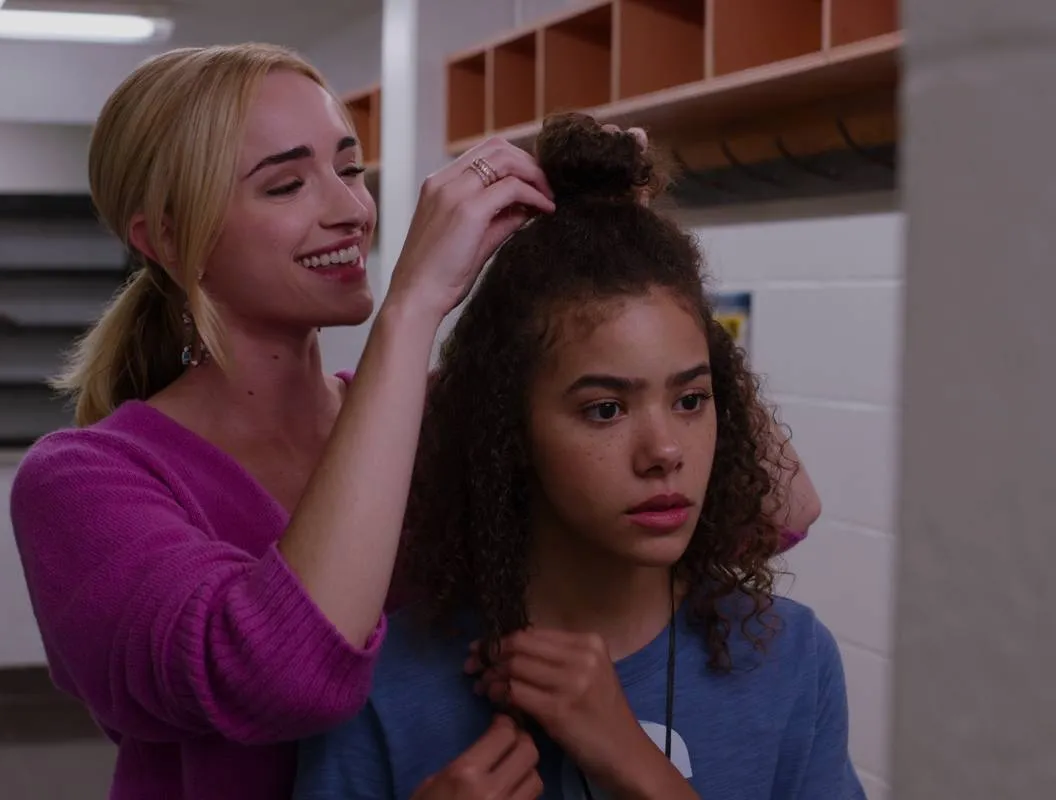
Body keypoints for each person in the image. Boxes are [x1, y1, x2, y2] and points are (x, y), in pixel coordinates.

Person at [7, 42, 556, 800]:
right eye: (287, 184)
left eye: (351, 170)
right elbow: (284, 677)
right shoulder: (83, 483)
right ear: (168, 239)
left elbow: (764, 513)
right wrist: (409, 311)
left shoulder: (437, 417)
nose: (351, 210)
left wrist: (599, 251)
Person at [292, 113, 862, 800]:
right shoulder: (386, 689)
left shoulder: (790, 658)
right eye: (605, 410)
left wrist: (637, 767)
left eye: (690, 400)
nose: (664, 453)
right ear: (510, 431)